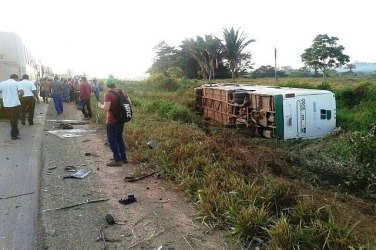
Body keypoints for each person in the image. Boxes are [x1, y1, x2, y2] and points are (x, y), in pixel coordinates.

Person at [98, 77, 131, 166]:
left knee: (111, 140)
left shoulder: (108, 94)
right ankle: (123, 157)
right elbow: (129, 104)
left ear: (107, 85)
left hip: (112, 120)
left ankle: (116, 160)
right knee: (119, 137)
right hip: (121, 119)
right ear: (115, 83)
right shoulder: (122, 91)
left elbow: (107, 108)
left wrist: (100, 105)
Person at [0, 74, 24, 139]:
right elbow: (22, 92)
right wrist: (18, 98)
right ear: (16, 78)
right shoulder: (17, 83)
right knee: (15, 120)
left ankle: (16, 132)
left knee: (11, 119)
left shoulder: (2, 83)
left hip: (6, 105)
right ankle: (13, 135)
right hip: (15, 104)